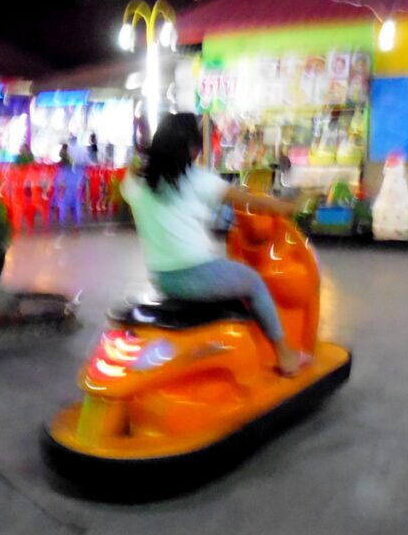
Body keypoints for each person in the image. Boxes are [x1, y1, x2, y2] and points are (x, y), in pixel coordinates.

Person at [121, 113, 309, 376]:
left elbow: (134, 175)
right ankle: (285, 356)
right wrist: (288, 206)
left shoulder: (135, 182)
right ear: (191, 149)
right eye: (197, 147)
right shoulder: (197, 180)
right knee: (254, 282)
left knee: (230, 275)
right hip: (196, 275)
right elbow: (249, 201)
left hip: (162, 278)